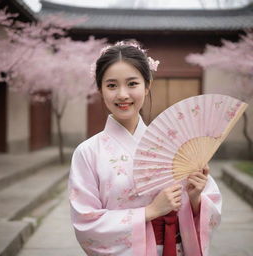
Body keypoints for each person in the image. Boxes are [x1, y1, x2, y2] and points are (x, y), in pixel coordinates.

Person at [68, 40, 222, 256]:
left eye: (132, 84)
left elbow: (210, 210)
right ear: (100, 89)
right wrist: (149, 212)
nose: (122, 94)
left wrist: (196, 197)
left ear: (147, 85)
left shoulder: (177, 144)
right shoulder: (88, 152)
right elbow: (86, 222)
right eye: (112, 85)